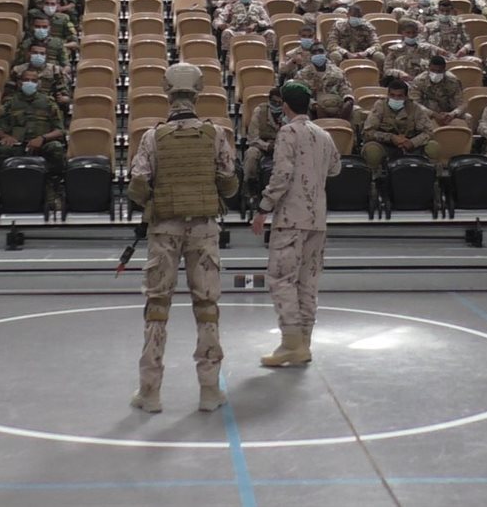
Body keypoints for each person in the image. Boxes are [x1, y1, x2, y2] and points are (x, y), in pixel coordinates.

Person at [126, 63, 239, 414]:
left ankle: (150, 392)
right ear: (198, 92)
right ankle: (209, 390)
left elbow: (138, 184)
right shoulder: (215, 134)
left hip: (164, 230)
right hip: (203, 230)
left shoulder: (152, 137)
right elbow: (229, 183)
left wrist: (155, 200)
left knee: (157, 307)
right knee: (206, 307)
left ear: (167, 92)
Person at [251, 81, 340, 367]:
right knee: (307, 282)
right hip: (317, 218)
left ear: (285, 106)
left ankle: (291, 343)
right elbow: (335, 167)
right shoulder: (324, 134)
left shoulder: (288, 132)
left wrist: (264, 208)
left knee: (281, 278)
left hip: (291, 217)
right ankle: (304, 343)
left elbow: (282, 174)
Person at [0, 67, 68, 208]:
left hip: (43, 143)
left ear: (39, 83)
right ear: (19, 83)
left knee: (56, 148)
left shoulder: (48, 102)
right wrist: (6, 137)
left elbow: (60, 130)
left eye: (33, 81)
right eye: (26, 80)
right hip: (18, 144)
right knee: (3, 150)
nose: (29, 83)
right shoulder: (10, 103)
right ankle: (6, 192)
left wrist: (43, 138)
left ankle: (53, 189)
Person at [361, 77, 440, 173]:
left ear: (406, 97)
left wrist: (413, 142)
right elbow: (368, 132)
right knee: (372, 151)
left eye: (399, 96)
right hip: (386, 145)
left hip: (410, 145)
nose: (395, 99)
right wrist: (391, 137)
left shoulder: (415, 108)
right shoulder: (380, 106)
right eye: (392, 95)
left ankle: (431, 177)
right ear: (388, 95)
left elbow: (429, 132)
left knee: (433, 147)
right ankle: (374, 178)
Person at [292, 44, 354, 121]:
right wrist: (314, 105)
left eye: (320, 51)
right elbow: (301, 95)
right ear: (310, 55)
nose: (318, 54)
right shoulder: (302, 74)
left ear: (325, 53)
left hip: (337, 105)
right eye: (314, 52)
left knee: (357, 112)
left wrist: (348, 100)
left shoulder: (337, 72)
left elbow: (345, 87)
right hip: (314, 109)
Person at [243, 86, 286, 195]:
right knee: (251, 154)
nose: (277, 105)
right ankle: (251, 188)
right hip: (262, 145)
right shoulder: (259, 111)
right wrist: (267, 146)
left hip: (284, 146)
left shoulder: (288, 113)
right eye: (274, 102)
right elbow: (253, 138)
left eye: (280, 103)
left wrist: (278, 145)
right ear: (269, 100)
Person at [412, 55, 467, 126]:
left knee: (467, 117)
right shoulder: (419, 81)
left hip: (448, 113)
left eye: (439, 71)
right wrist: (433, 114)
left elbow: (461, 104)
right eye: (433, 70)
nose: (435, 74)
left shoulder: (453, 81)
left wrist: (452, 114)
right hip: (427, 113)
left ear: (444, 70)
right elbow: (415, 104)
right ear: (428, 68)